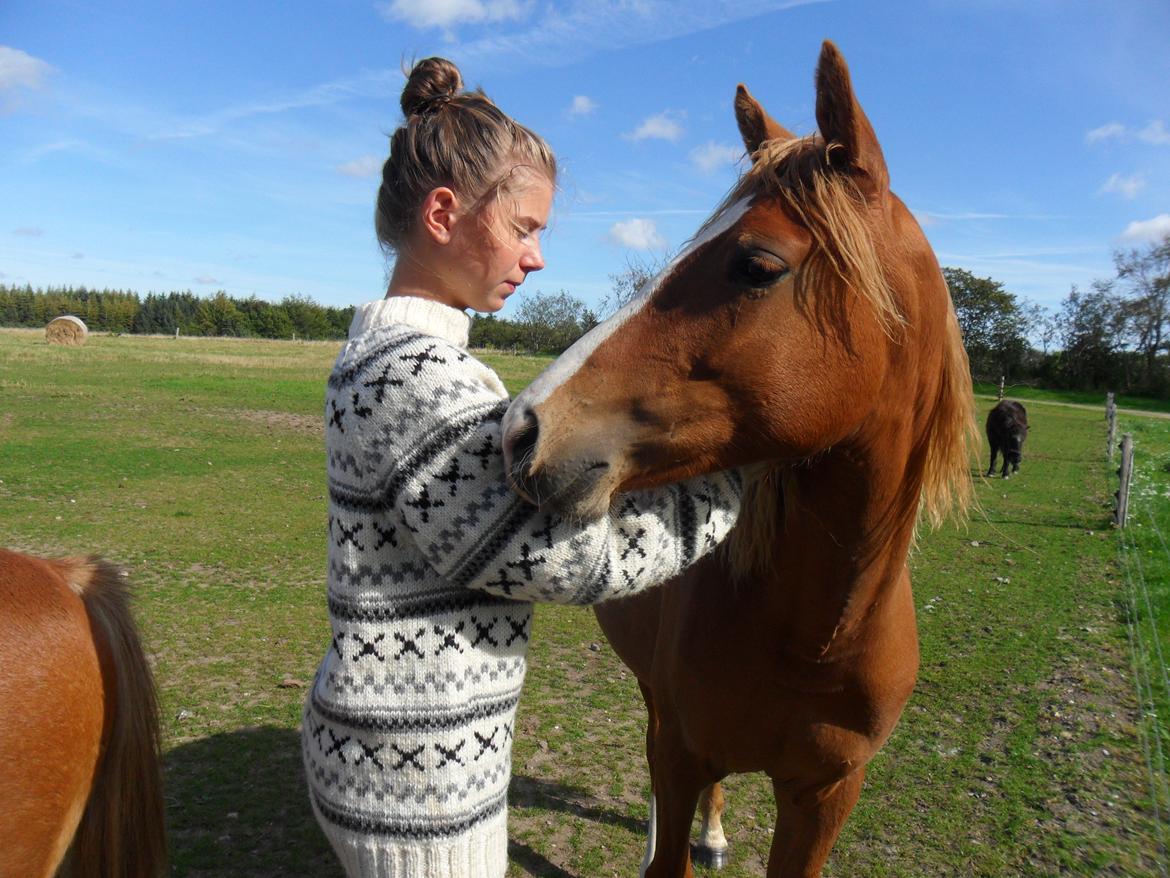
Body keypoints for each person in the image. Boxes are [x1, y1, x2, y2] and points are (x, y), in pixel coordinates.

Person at [302, 57, 741, 878]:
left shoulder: (392, 357)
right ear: (444, 213)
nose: (536, 257)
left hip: (399, 760)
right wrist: (721, 492)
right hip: (416, 789)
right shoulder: (416, 373)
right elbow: (557, 557)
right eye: (526, 227)